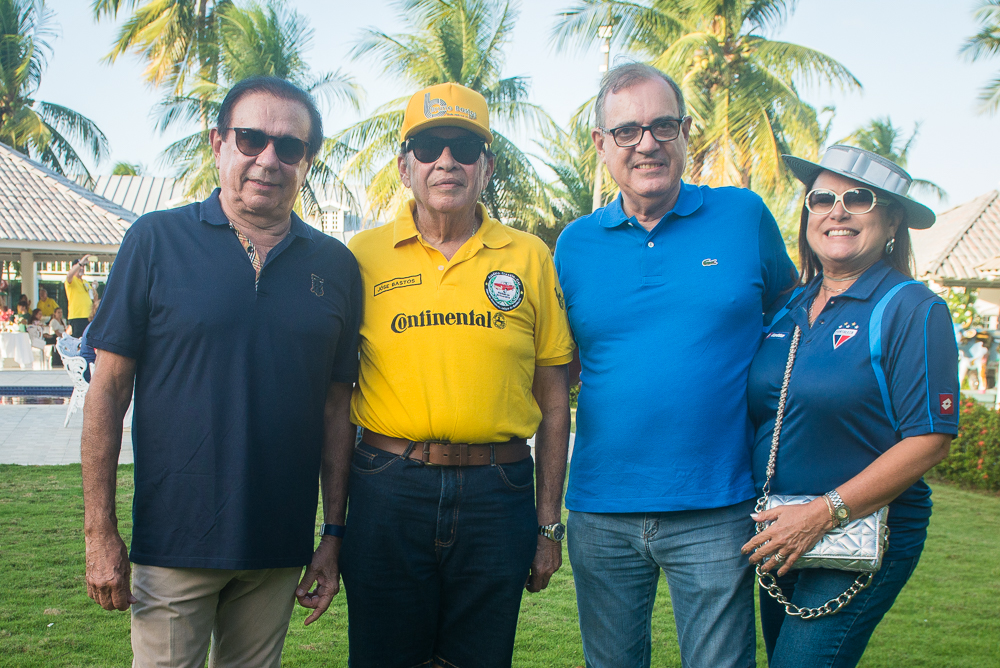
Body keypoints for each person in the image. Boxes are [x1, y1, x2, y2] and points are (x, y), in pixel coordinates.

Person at [80, 76, 362, 668]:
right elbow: (107, 392)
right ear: (218, 143)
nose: (268, 159)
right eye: (251, 138)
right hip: (174, 543)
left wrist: (332, 534)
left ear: (307, 160)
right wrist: (98, 532)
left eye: (289, 147)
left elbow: (339, 409)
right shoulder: (155, 241)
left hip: (278, 547)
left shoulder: (334, 265)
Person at [553, 63, 798, 668]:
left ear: (687, 131)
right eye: (628, 130)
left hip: (718, 504)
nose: (647, 143)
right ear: (601, 144)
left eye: (664, 125)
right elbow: (561, 368)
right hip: (600, 508)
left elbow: (793, 331)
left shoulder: (744, 217)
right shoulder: (573, 245)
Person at [340, 82, 575, 668]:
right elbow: (335, 396)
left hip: (500, 493)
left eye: (464, 148)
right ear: (404, 166)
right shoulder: (360, 256)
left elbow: (553, 398)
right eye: (428, 147)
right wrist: (333, 527)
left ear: (486, 166)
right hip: (389, 484)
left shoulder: (528, 257)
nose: (446, 161)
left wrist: (549, 525)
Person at [741, 145, 957, 668]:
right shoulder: (787, 307)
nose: (837, 211)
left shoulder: (912, 308)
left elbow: (930, 438)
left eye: (858, 198)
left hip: (860, 533)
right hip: (781, 531)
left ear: (891, 222)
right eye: (822, 198)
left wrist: (821, 512)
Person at [64, 255, 94, 336]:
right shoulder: (72, 281)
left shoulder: (85, 282)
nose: (82, 268)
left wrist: (94, 288)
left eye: (83, 266)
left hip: (88, 316)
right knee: (77, 339)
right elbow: (69, 275)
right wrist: (80, 263)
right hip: (77, 316)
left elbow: (93, 298)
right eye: (80, 266)